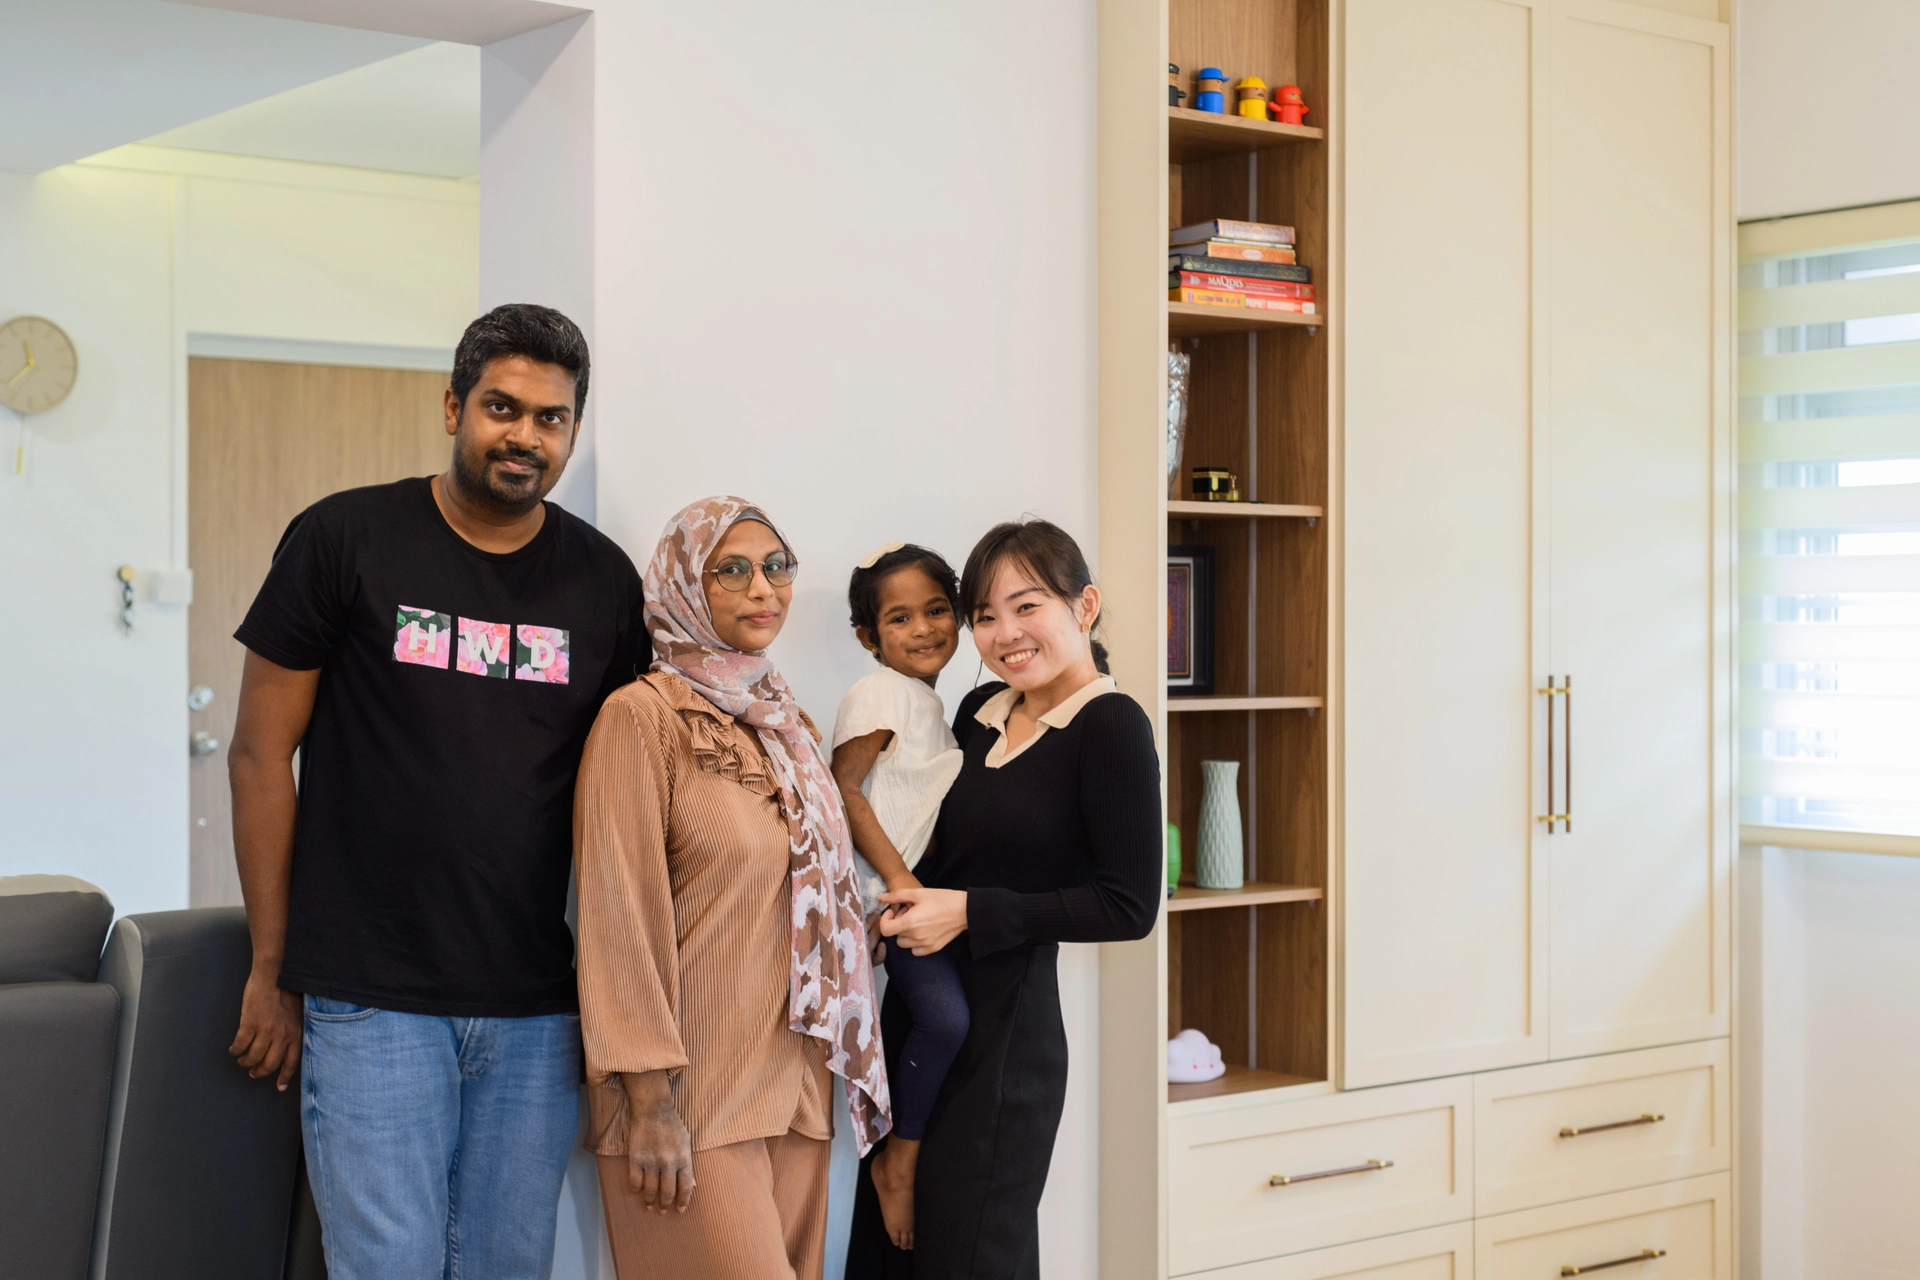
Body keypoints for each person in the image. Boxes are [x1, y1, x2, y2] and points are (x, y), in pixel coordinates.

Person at [224, 304, 648, 1280]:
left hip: (536, 1005)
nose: (525, 435)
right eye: (503, 408)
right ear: (454, 407)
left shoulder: (603, 581)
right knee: (390, 1265)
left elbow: (629, 794)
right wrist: (272, 963)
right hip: (371, 995)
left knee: (507, 1265)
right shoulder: (345, 538)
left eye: (550, 418)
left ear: (573, 432)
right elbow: (258, 755)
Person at [573, 496, 890, 1280]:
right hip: (689, 1099)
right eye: (732, 570)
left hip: (796, 1089)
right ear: (684, 584)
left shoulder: (788, 728)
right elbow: (618, 915)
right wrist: (650, 1101)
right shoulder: (641, 719)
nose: (763, 588)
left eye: (777, 567)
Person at [846, 518, 1163, 1279]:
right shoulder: (979, 712)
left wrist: (966, 911)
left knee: (971, 1256)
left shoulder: (1110, 726)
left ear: (1084, 606)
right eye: (985, 615)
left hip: (1004, 1042)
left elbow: (1128, 906)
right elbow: (923, 833)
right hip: (920, 1014)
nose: (1004, 633)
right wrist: (888, 908)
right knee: (886, 1263)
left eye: (1027, 606)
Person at [828, 543, 970, 1251]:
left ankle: (901, 1151)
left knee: (930, 1021)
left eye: (937, 610)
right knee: (944, 1021)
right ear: (868, 637)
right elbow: (844, 789)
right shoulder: (883, 692)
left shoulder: (928, 702)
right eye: (899, 618)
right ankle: (898, 1163)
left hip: (903, 891)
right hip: (887, 892)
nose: (923, 629)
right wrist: (900, 883)